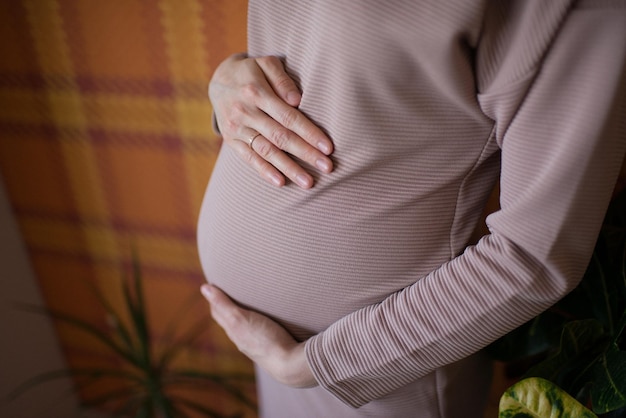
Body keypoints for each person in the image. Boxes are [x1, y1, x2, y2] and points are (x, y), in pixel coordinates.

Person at [197, 1, 626, 417]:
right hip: (271, 350)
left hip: (382, 366)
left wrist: (314, 365)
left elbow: (534, 255)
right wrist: (228, 83)